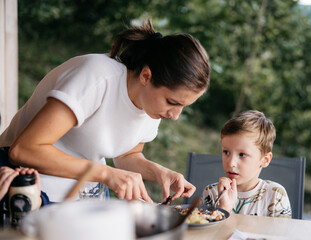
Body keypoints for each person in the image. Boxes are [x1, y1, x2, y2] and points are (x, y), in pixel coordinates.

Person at [0, 19, 210, 203]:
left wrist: (159, 172)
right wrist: (106, 173)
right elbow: (24, 150)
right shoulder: (96, 77)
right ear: (146, 76)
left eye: (183, 106)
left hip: (86, 196)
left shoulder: (152, 105)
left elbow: (127, 154)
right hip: (25, 187)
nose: (175, 116)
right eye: (172, 102)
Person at [201, 110, 292, 218]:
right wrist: (224, 209)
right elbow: (205, 232)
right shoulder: (212, 193)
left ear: (265, 160)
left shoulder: (276, 195)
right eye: (226, 152)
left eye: (242, 155)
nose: (231, 163)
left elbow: (281, 234)